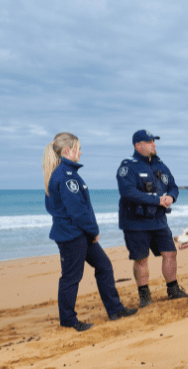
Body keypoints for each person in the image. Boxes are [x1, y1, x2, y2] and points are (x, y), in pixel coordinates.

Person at [43, 132, 138, 331]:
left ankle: (115, 310)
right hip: (72, 235)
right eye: (78, 148)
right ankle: (69, 321)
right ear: (68, 150)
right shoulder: (65, 176)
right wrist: (93, 231)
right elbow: (77, 211)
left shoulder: (67, 174)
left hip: (79, 233)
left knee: (103, 266)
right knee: (71, 277)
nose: (81, 152)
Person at [117, 129, 188, 307]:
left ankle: (173, 291)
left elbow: (173, 186)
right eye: (150, 142)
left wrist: (171, 197)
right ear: (138, 145)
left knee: (170, 253)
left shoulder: (160, 165)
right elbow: (128, 192)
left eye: (154, 141)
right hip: (135, 222)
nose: (154, 144)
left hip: (158, 221)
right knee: (141, 259)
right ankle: (145, 297)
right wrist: (157, 200)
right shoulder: (128, 166)